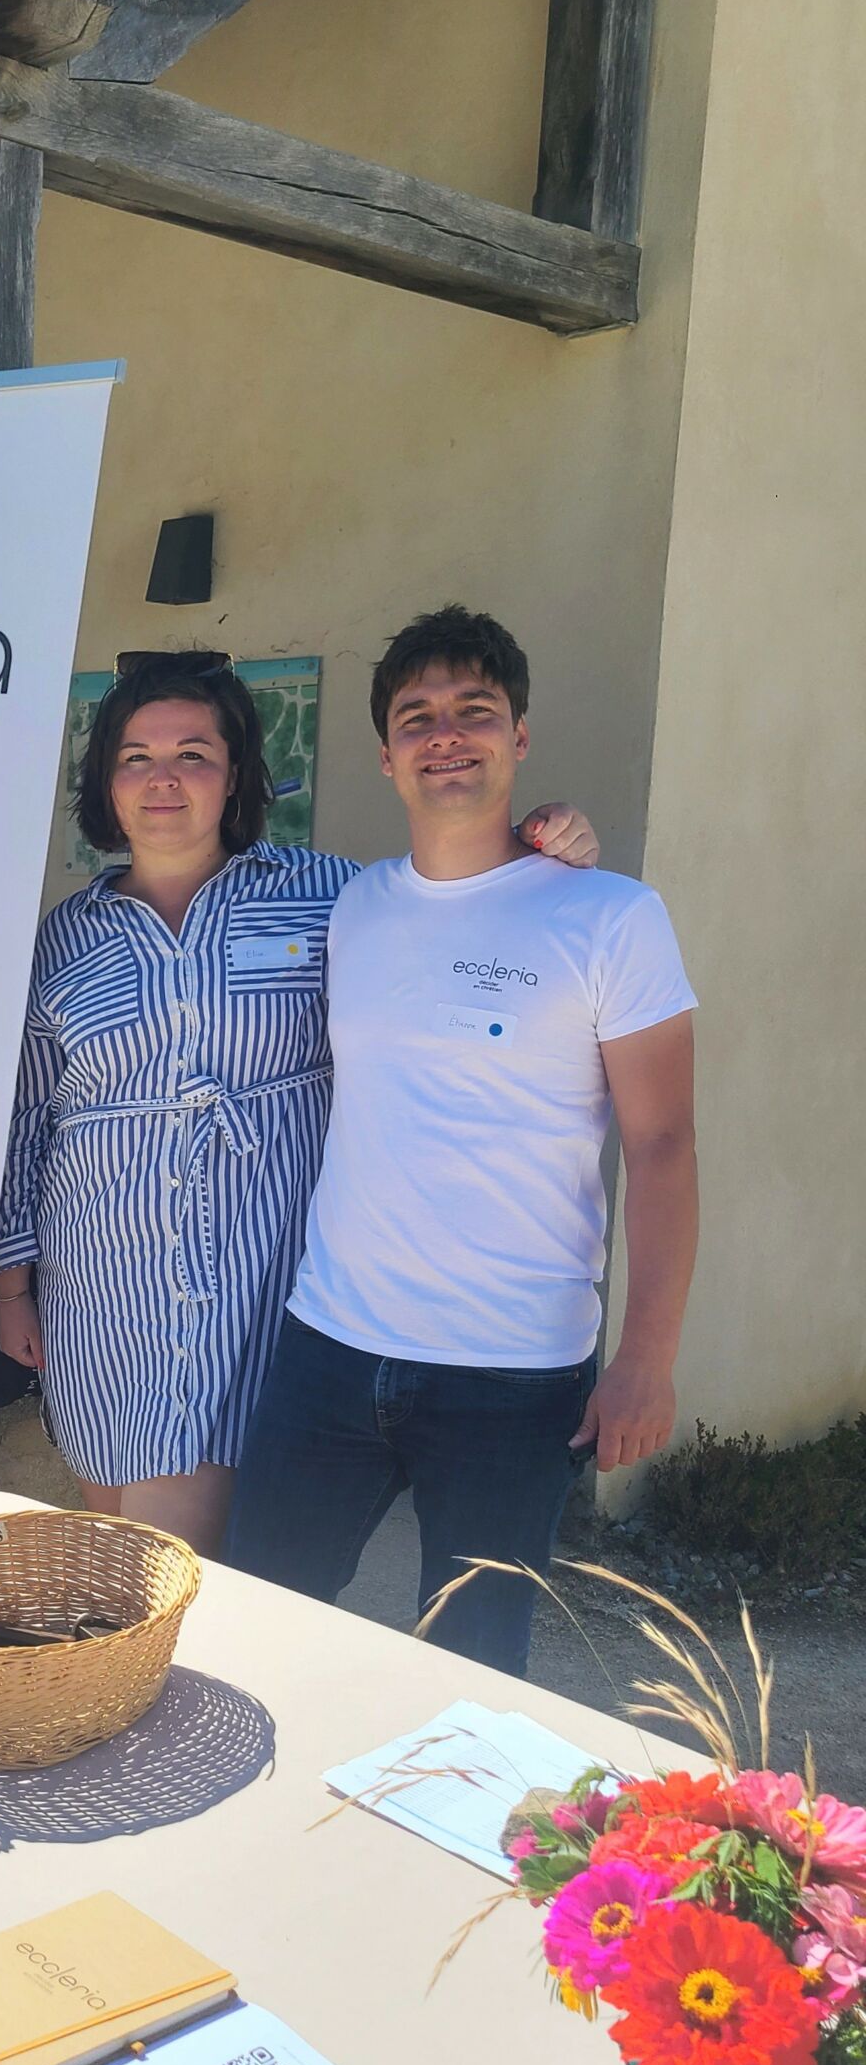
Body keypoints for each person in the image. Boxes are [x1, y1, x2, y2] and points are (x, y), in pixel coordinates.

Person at [0, 651, 598, 1557]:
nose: (164, 779)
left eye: (194, 753)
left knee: (171, 1569)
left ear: (236, 774)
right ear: (104, 783)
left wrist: (540, 849)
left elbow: (453, 913)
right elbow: (29, 1117)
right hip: (98, 1292)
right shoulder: (67, 935)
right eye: (135, 757)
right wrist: (13, 1287)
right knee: (121, 1538)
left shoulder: (329, 895)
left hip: (246, 1286)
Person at [226, 606, 698, 1673]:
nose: (447, 734)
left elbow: (664, 1143)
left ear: (519, 737)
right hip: (331, 1348)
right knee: (253, 1629)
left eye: (474, 711)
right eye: (418, 716)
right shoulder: (350, 906)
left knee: (471, 1677)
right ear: (384, 754)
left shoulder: (609, 917)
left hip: (513, 1376)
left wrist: (647, 1357)